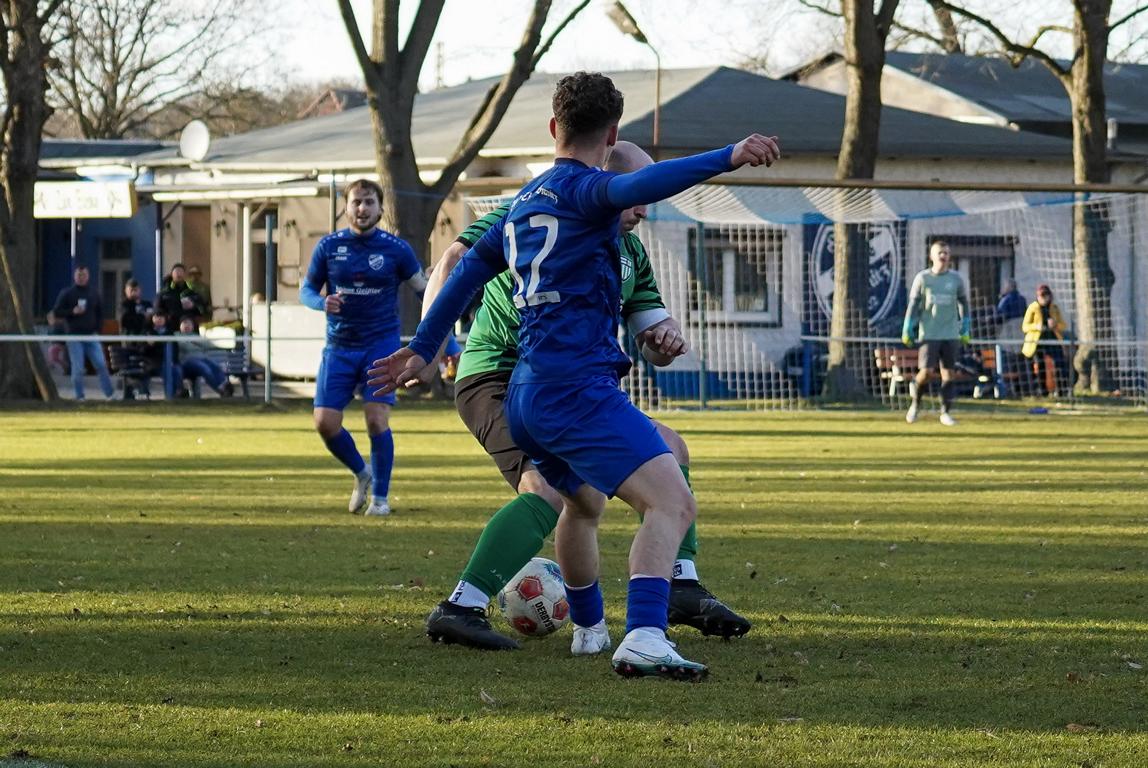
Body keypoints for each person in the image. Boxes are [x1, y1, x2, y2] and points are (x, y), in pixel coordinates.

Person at [369, 72, 779, 680]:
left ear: (553, 127)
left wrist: (424, 347)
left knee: (581, 503)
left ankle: (591, 628)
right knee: (671, 502)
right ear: (610, 137)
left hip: (528, 393)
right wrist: (730, 154)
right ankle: (646, 634)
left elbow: (465, 271)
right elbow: (649, 182)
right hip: (576, 388)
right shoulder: (591, 192)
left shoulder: (522, 205)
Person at [419, 142, 751, 653]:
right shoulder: (533, 208)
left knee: (656, 456)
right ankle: (462, 605)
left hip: (573, 387)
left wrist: (664, 341)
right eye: (637, 195)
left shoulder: (630, 253)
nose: (643, 209)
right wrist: (429, 345)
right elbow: (454, 259)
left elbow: (651, 336)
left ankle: (668, 590)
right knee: (548, 492)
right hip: (497, 374)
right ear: (608, 184)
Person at [300, 178, 427, 517]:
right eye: (356, 201)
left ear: (381, 208)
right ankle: (362, 471)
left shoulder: (397, 249)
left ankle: (380, 500)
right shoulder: (329, 247)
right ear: (346, 207)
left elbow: (424, 292)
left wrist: (448, 339)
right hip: (339, 347)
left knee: (376, 419)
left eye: (369, 201)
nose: (362, 208)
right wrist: (322, 302)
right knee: (325, 423)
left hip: (380, 346)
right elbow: (306, 291)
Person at [902, 241, 971, 426]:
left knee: (949, 374)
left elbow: (964, 303)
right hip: (929, 334)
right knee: (926, 373)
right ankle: (915, 405)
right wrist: (908, 327)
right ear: (931, 256)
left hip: (950, 334)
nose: (943, 256)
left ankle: (945, 413)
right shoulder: (923, 278)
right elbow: (914, 305)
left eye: (946, 253)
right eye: (940, 252)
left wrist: (965, 326)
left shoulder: (956, 279)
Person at [51, 264, 115, 401]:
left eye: (84, 275)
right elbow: (56, 312)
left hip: (91, 335)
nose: (81, 277)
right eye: (79, 275)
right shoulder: (67, 293)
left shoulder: (94, 293)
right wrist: (72, 311)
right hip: (74, 336)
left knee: (101, 364)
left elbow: (100, 313)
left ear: (88, 276)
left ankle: (110, 394)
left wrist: (98, 329)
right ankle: (80, 396)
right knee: (78, 368)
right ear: (75, 276)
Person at [1022, 283, 1068, 396]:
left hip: (1052, 340)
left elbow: (1063, 325)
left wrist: (1055, 325)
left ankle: (1061, 391)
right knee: (1040, 365)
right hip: (1037, 342)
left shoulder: (1054, 308)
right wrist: (1036, 326)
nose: (1043, 298)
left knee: (1059, 363)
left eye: (1045, 295)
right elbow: (1025, 327)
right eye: (1041, 296)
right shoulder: (1032, 308)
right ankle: (1042, 391)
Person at [175, 317, 234, 398]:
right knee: (205, 368)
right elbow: (184, 346)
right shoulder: (176, 335)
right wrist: (194, 342)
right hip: (187, 362)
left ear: (193, 326)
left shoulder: (196, 336)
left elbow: (209, 345)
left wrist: (198, 342)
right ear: (180, 325)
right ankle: (220, 389)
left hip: (202, 359)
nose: (187, 326)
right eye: (184, 323)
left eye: (189, 324)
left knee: (215, 366)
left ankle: (224, 385)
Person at [118, 279, 154, 399]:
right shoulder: (124, 305)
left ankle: (144, 391)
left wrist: (146, 318)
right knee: (130, 366)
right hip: (130, 343)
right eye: (131, 290)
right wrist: (141, 316)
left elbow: (152, 321)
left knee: (145, 365)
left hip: (145, 344)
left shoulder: (147, 304)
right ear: (126, 291)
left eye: (136, 289)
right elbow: (125, 321)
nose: (134, 292)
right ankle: (130, 392)